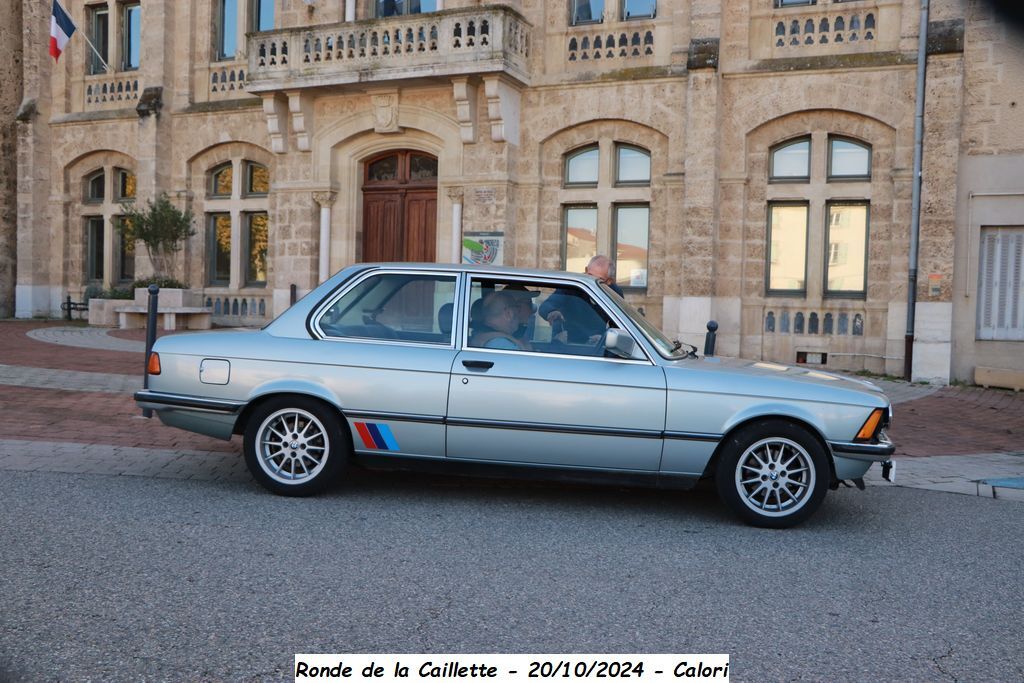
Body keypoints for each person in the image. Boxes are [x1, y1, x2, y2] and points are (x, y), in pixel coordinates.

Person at [538, 255, 619, 344]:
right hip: (571, 344)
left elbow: (619, 325)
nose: (592, 281)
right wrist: (552, 312)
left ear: (609, 281)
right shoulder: (572, 286)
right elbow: (545, 307)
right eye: (590, 275)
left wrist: (603, 339)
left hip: (599, 347)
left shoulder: (614, 292)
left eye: (599, 280)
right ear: (586, 270)